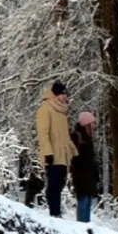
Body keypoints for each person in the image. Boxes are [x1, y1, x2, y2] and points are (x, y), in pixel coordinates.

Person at [35, 81, 76, 217]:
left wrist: (74, 153)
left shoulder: (62, 112)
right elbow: (43, 133)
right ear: (56, 94)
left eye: (66, 94)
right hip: (52, 155)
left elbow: (65, 137)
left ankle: (57, 212)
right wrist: (48, 152)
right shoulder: (45, 109)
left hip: (63, 155)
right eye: (63, 94)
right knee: (53, 184)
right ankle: (54, 213)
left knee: (60, 184)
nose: (65, 97)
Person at [71, 111, 100, 223]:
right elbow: (75, 158)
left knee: (87, 201)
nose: (94, 126)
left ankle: (86, 226)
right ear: (86, 124)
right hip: (81, 176)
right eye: (92, 123)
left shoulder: (88, 138)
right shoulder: (77, 136)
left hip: (88, 176)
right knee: (83, 201)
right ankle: (81, 226)